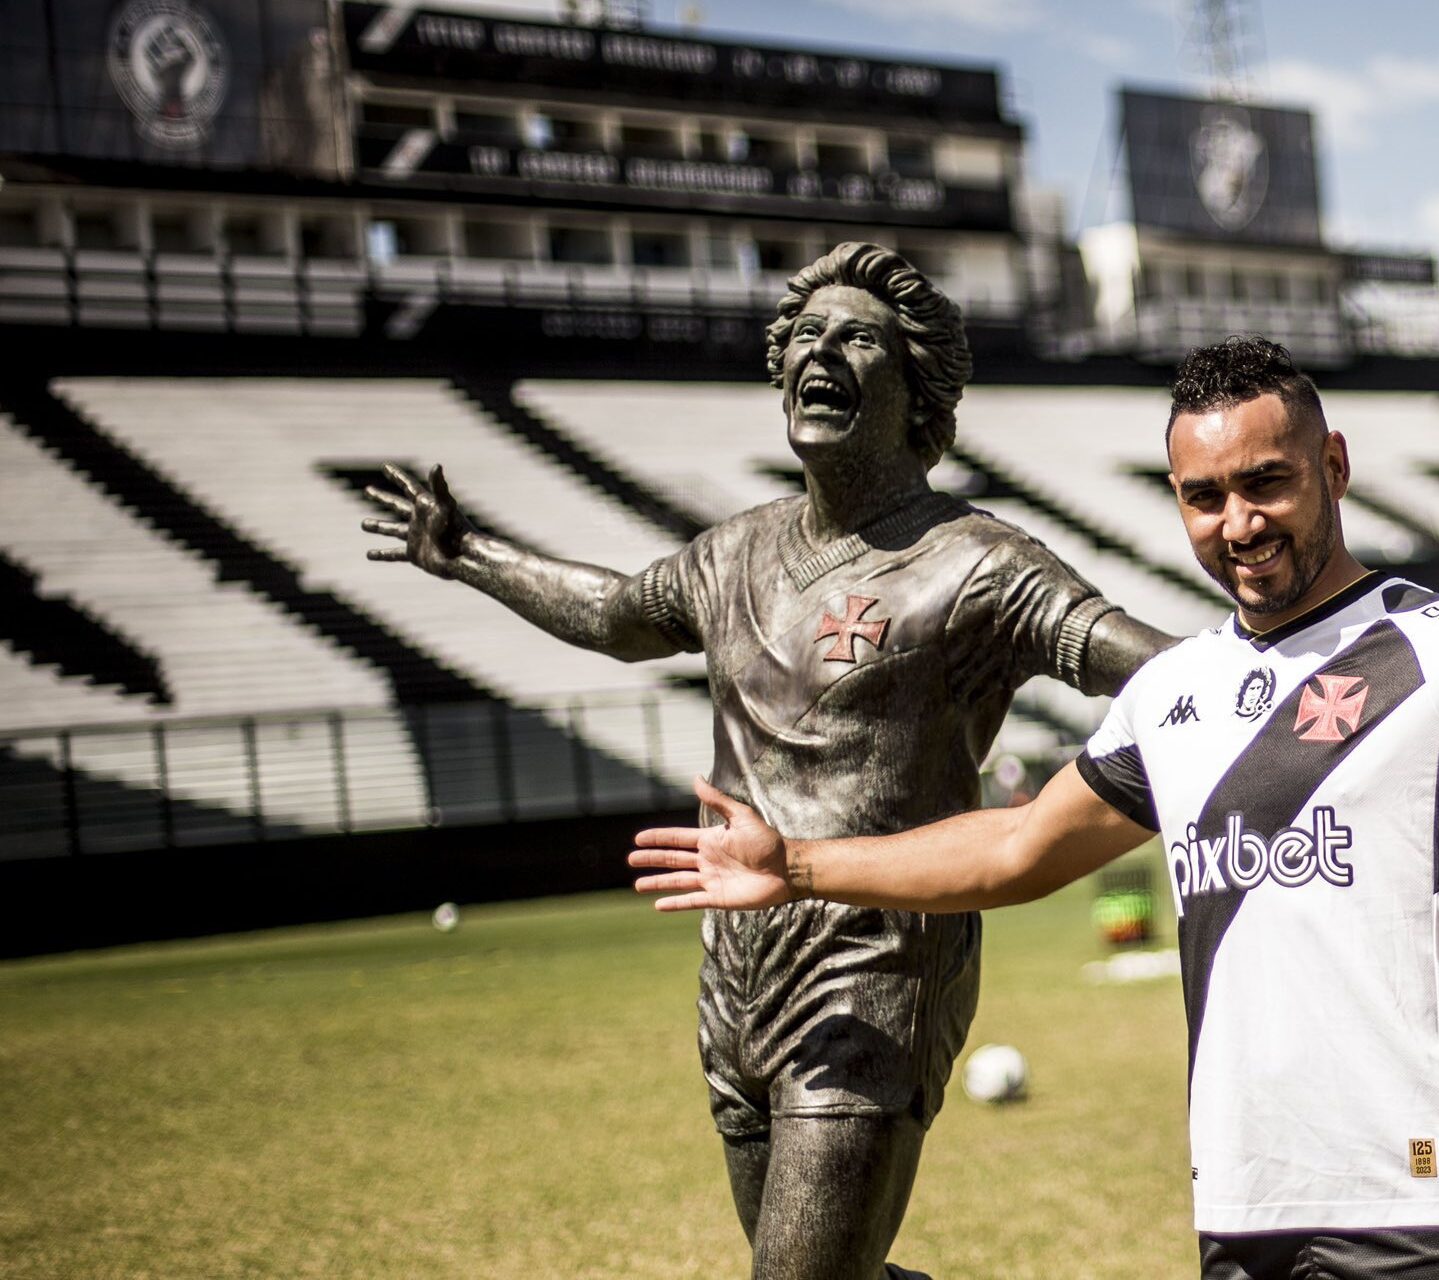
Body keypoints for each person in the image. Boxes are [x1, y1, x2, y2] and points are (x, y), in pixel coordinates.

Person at [627, 336, 1439, 1280]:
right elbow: (1021, 847)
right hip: (1248, 1210)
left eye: (1265, 482)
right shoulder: (1175, 690)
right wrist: (798, 861)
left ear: (1332, 461)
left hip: (1433, 1207)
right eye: (1204, 497)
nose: (1238, 522)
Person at [361, 242, 1172, 1280]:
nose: (817, 351)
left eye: (856, 337)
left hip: (877, 963)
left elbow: (1154, 674)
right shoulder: (729, 554)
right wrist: (465, 554)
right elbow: (613, 613)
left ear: (914, 384)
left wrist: (1290, 693)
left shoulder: (978, 563)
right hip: (736, 966)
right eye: (803, 335)